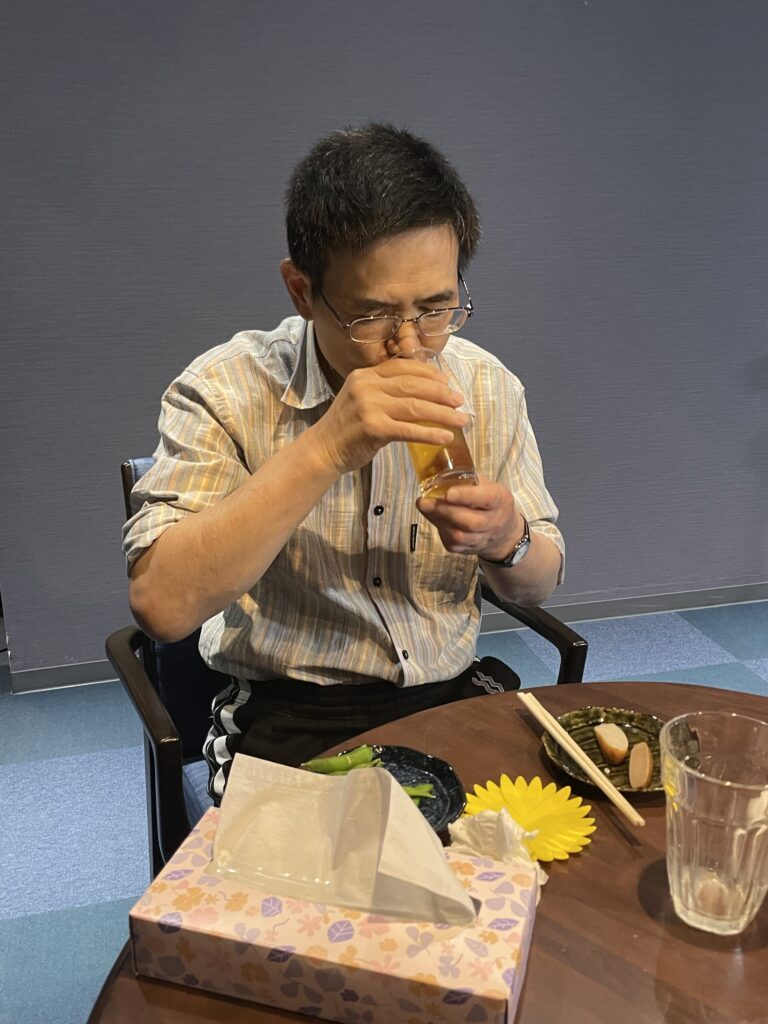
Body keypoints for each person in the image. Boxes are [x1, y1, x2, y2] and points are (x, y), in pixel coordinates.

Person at [123, 123, 564, 803]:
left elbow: (540, 582)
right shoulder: (225, 389)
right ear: (301, 291)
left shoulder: (488, 387)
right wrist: (328, 446)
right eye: (371, 315)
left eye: (436, 308)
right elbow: (162, 605)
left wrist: (509, 540)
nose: (410, 345)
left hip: (450, 699)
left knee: (543, 855)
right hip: (290, 715)